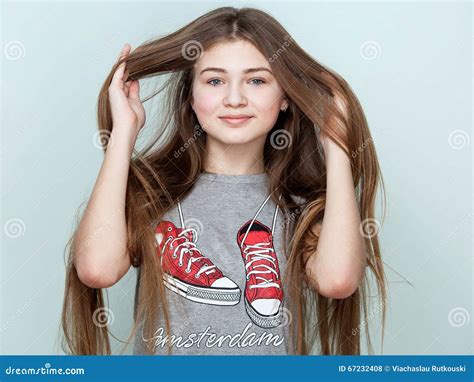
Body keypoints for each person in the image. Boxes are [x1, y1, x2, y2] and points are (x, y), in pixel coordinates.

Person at [61, 6, 387, 356]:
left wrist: (337, 142)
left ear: (285, 98)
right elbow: (96, 269)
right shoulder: (153, 192)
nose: (234, 99)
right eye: (215, 80)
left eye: (257, 80)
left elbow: (338, 281)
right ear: (191, 95)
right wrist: (123, 132)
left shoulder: (302, 205)